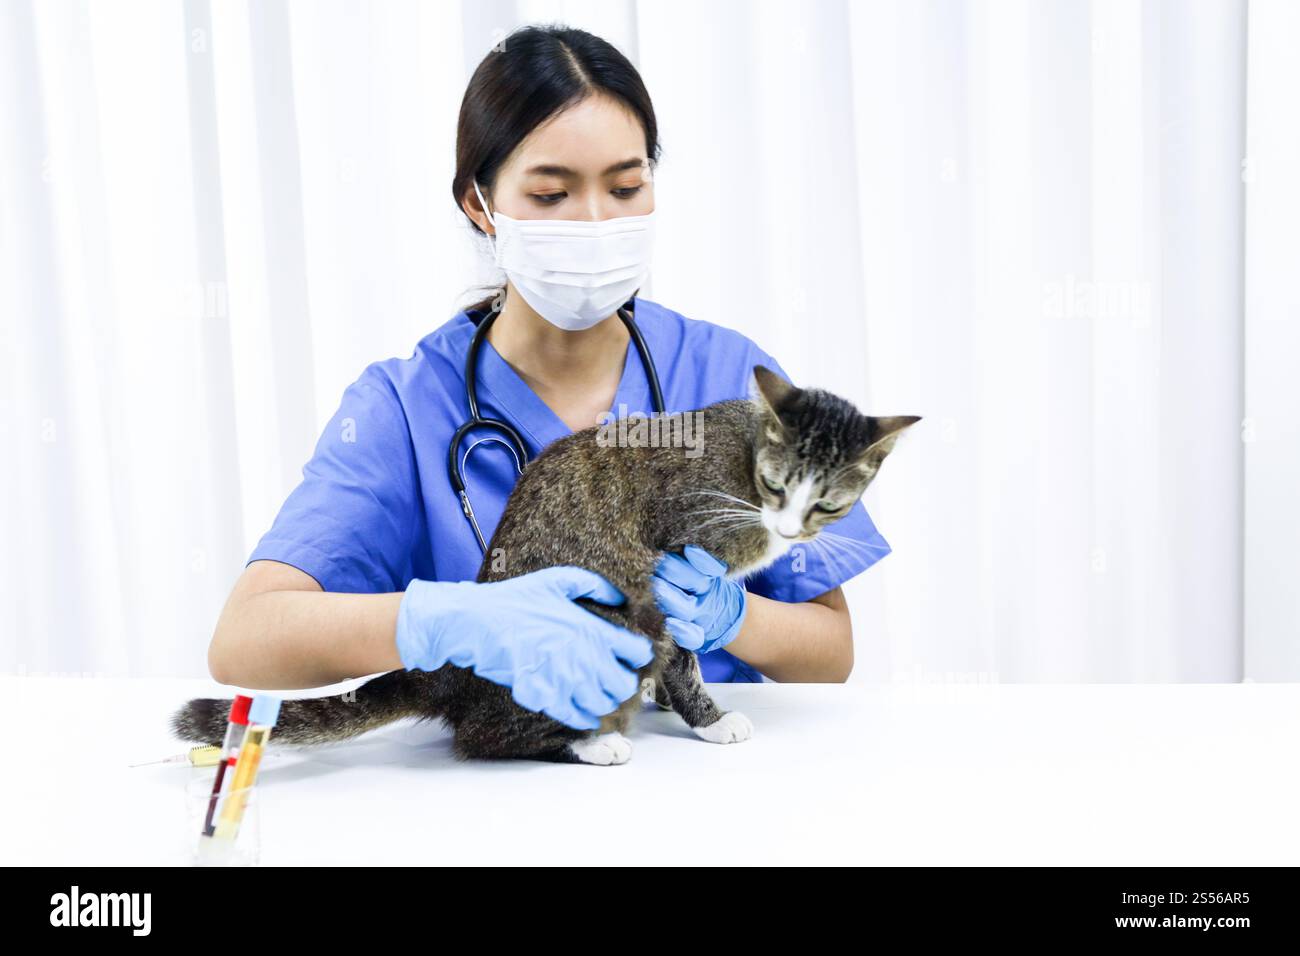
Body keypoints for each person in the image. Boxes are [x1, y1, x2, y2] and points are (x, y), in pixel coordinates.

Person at [208, 24, 893, 731]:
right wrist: (443, 621)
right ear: (480, 204)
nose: (597, 222)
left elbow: (830, 655)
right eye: (551, 195)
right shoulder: (408, 407)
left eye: (626, 186)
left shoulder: (725, 374)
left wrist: (732, 617)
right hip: (500, 794)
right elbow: (245, 640)